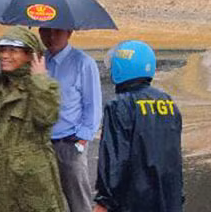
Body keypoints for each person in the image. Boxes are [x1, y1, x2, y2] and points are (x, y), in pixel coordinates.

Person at [0, 26, 66, 212]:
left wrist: (40, 80)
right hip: (1, 182)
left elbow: (46, 118)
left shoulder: (43, 88)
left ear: (30, 55)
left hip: (32, 186)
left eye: (13, 50)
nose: (5, 55)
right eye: (2, 50)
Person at [95, 40, 183, 212]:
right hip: (168, 200)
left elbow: (115, 160)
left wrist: (104, 201)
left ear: (120, 68)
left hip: (133, 201)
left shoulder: (120, 105)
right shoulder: (167, 103)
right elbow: (174, 158)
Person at [42, 28, 103, 212]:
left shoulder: (83, 63)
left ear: (69, 33)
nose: (51, 37)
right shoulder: (38, 61)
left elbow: (93, 104)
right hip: (42, 143)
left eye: (57, 32)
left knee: (79, 201)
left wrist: (82, 139)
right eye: (46, 31)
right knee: (44, 200)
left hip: (70, 142)